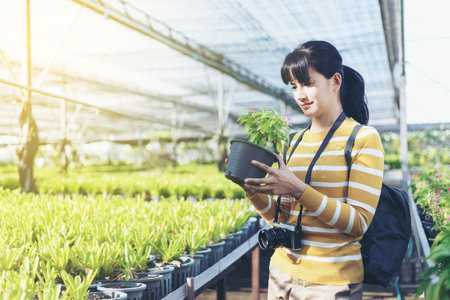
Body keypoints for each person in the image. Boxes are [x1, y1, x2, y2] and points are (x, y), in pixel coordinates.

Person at [239, 41, 384, 299]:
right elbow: (280, 218)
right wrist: (251, 190)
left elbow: (358, 223)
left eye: (307, 83)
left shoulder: (362, 138)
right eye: (294, 86)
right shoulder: (294, 141)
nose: (300, 95)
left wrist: (297, 189)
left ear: (335, 81)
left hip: (331, 284)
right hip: (280, 273)